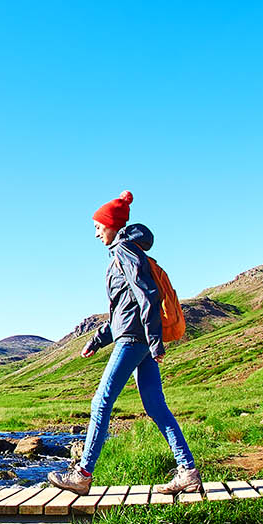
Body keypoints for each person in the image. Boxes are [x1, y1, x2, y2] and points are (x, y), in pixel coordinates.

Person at [48, 191, 202, 497]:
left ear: (111, 225)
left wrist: (155, 340)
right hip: (135, 336)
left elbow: (147, 295)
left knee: (101, 402)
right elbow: (123, 310)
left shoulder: (125, 252)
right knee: (156, 406)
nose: (95, 233)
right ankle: (188, 472)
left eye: (97, 227)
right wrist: (97, 339)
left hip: (135, 340)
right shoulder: (124, 252)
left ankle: (82, 474)